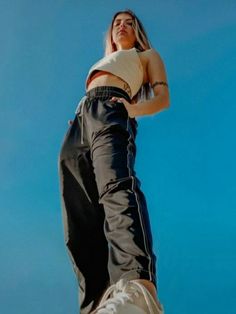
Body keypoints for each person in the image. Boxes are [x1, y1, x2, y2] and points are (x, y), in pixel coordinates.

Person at [58, 9, 169, 314]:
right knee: (78, 208)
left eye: (129, 23)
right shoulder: (103, 60)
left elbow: (162, 98)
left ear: (138, 31)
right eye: (117, 23)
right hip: (82, 116)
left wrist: (131, 110)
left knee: (116, 188)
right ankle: (98, 302)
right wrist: (81, 116)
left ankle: (137, 289)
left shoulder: (145, 56)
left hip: (113, 106)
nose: (122, 26)